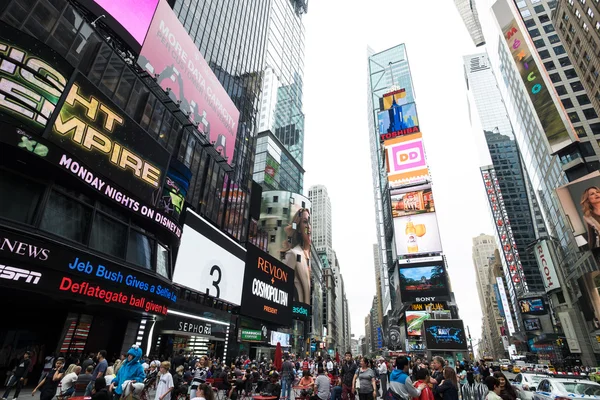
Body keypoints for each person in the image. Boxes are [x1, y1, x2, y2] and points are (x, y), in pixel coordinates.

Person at [283, 208, 311, 303]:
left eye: (309, 222)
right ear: (298, 228)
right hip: (293, 314)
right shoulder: (292, 254)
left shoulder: (308, 257)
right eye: (305, 222)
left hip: (305, 316)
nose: (309, 227)